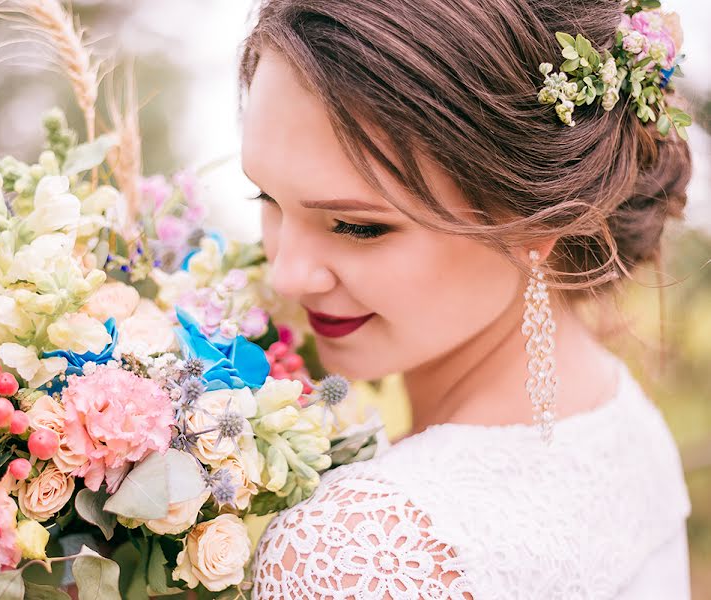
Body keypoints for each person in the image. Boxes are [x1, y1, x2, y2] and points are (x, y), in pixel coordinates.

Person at [238, 0, 694, 597]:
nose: (288, 277)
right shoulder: (617, 420)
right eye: (266, 200)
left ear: (536, 217)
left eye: (357, 226)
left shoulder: (359, 553)